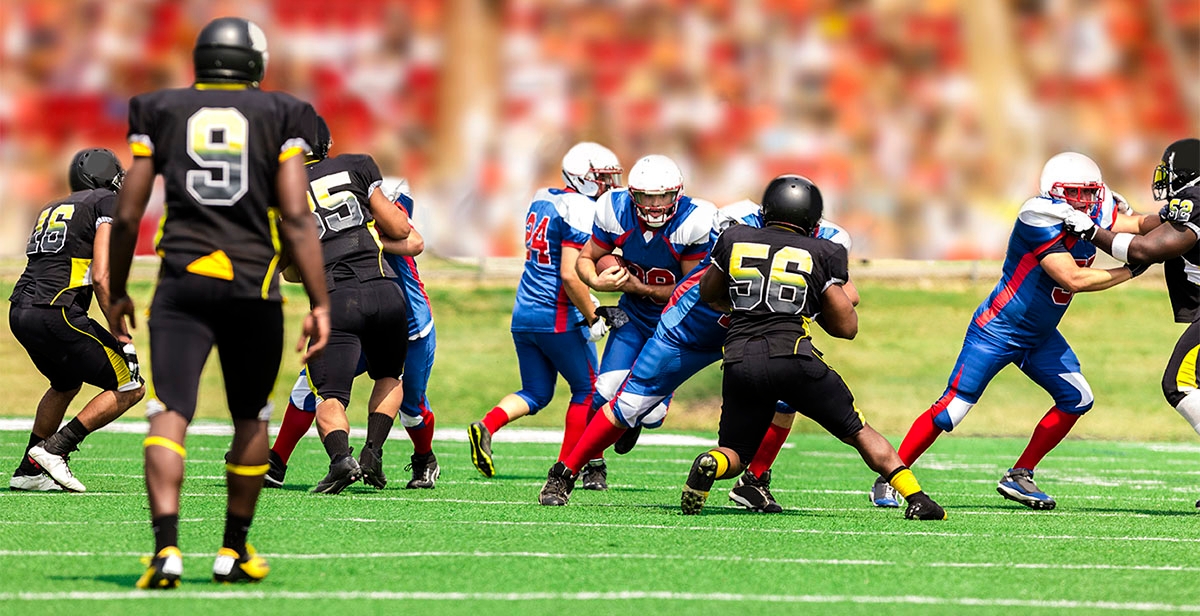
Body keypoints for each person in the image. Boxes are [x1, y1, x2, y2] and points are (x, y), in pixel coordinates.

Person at [107, 17, 331, 588]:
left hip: (181, 280)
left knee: (170, 410)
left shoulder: (158, 107)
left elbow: (129, 211)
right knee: (249, 413)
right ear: (254, 61)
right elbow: (297, 213)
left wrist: (113, 290)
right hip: (251, 283)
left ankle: (166, 551)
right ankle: (232, 550)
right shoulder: (282, 112)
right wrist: (320, 299)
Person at [871, 152, 1150, 511]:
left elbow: (1139, 224)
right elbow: (1072, 278)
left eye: (1089, 192)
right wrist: (1131, 270)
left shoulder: (1097, 210)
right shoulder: (1039, 216)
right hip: (998, 329)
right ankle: (889, 476)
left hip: (1040, 335)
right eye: (1074, 192)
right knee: (951, 409)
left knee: (1077, 398)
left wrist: (1179, 222)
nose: (1084, 201)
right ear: (1053, 192)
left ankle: (1020, 475)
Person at [544, 194, 856, 513]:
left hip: (754, 336)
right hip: (693, 329)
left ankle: (753, 482)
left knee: (785, 398)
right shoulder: (735, 224)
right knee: (630, 405)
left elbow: (850, 296)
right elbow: (720, 292)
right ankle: (564, 473)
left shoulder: (828, 239)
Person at [684, 175, 946, 521]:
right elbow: (846, 327)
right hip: (792, 357)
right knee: (857, 430)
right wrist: (812, 301)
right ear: (812, 219)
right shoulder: (823, 250)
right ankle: (918, 499)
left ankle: (710, 464)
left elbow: (709, 294)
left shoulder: (734, 238)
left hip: (739, 358)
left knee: (735, 452)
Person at [538, 154, 715, 503]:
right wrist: (600, 282)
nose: (654, 205)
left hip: (674, 322)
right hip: (633, 317)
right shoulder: (613, 209)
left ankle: (634, 420)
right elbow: (585, 260)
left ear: (676, 195)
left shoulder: (694, 221)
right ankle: (581, 466)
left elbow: (690, 287)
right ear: (633, 194)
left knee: (651, 417)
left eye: (662, 196)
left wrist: (640, 288)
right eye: (646, 196)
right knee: (604, 391)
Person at [267, 179, 439, 490]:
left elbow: (414, 242)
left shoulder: (385, 212)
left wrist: (357, 240)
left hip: (410, 324)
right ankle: (276, 462)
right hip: (359, 312)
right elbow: (293, 272)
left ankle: (423, 458)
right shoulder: (344, 214)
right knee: (311, 386)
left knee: (411, 408)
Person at [467, 142, 622, 478]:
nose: (609, 185)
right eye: (602, 178)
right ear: (582, 178)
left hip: (524, 312)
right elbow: (568, 272)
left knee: (536, 392)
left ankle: (487, 425)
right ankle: (569, 465)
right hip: (558, 315)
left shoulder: (543, 197)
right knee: (588, 391)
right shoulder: (579, 207)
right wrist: (593, 314)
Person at [1059, 138, 1200, 506]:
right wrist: (1116, 217)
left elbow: (1146, 250)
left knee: (1180, 384)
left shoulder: (1197, 199)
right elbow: (1151, 228)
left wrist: (1092, 232)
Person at [9, 148, 146, 493]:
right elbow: (101, 275)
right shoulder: (104, 201)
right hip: (55, 310)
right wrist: (122, 336)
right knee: (130, 385)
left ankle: (29, 469)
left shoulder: (52, 207)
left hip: (20, 309)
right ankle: (55, 449)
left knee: (66, 383)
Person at [289, 118, 413, 495]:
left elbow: (291, 271)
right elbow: (401, 228)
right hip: (386, 289)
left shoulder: (282, 190)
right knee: (390, 375)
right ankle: (373, 451)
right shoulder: (357, 165)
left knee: (330, 394)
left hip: (336, 299)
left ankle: (342, 460)